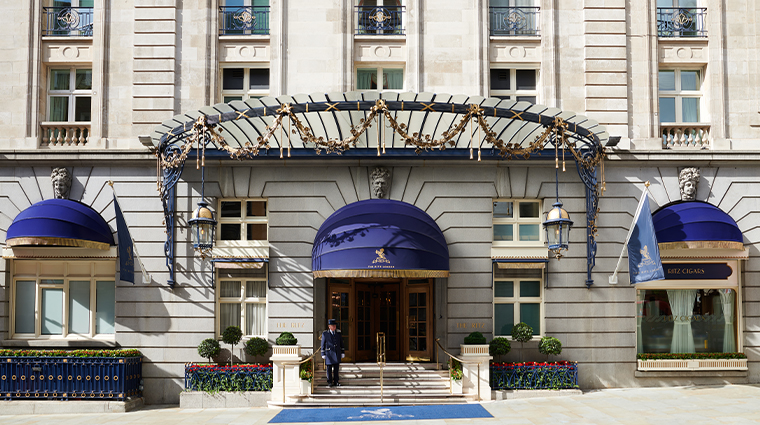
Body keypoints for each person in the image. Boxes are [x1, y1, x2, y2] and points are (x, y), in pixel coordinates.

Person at [321, 318, 345, 387]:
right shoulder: (325, 334)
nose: (334, 327)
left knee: (336, 369)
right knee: (329, 369)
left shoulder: (338, 333)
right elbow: (322, 344)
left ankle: (336, 381)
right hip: (329, 354)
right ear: (329, 326)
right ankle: (329, 382)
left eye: (334, 325)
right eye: (332, 325)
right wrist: (323, 353)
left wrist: (342, 352)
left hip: (337, 353)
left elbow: (341, 343)